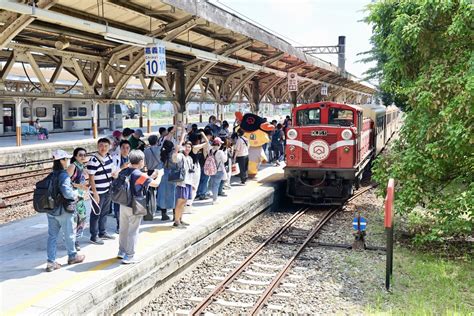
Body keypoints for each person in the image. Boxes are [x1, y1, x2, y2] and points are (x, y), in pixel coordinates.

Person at [117, 150, 164, 264]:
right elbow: (155, 184)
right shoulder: (139, 174)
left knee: (123, 229)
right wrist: (160, 175)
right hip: (135, 205)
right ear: (141, 161)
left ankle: (121, 251)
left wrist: (151, 176)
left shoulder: (124, 171)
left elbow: (141, 181)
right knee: (133, 230)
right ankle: (129, 256)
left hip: (123, 204)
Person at [45, 150, 84, 272]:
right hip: (64, 211)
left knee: (52, 236)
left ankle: (51, 262)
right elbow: (67, 193)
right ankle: (72, 256)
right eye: (65, 159)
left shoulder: (51, 174)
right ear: (61, 161)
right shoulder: (63, 175)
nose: (67, 161)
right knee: (69, 234)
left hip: (51, 211)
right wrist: (76, 194)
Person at [87, 138, 116, 245]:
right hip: (98, 192)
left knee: (104, 212)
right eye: (101, 145)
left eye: (105, 146)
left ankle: (102, 232)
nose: (103, 148)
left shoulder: (109, 157)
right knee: (96, 214)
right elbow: (91, 178)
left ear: (109, 147)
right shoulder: (93, 160)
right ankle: (93, 236)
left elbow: (112, 171)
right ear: (97, 146)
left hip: (107, 190)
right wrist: (95, 193)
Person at [67, 147, 92, 252]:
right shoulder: (72, 166)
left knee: (82, 218)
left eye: (84, 155)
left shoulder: (82, 166)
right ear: (75, 156)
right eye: (80, 155)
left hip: (80, 197)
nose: (83, 157)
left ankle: (75, 239)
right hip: (73, 196)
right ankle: (73, 242)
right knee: (74, 220)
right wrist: (79, 186)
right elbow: (66, 182)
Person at [172, 129, 193, 228]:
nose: (188, 148)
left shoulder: (190, 158)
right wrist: (179, 144)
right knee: (180, 202)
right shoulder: (180, 156)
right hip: (182, 183)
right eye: (186, 146)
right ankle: (176, 221)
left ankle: (180, 218)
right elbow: (174, 157)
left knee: (184, 201)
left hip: (188, 182)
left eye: (189, 147)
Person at [111, 140, 131, 233]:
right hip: (118, 185)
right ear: (120, 148)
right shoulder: (115, 158)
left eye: (127, 148)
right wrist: (122, 167)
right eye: (123, 147)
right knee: (118, 206)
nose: (125, 150)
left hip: (129, 185)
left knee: (128, 206)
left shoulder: (131, 158)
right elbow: (114, 174)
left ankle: (127, 224)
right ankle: (119, 226)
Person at [156, 140, 176, 221]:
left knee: (162, 195)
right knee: (174, 195)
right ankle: (175, 215)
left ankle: (164, 214)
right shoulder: (173, 155)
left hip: (162, 175)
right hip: (172, 176)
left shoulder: (161, 154)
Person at [188, 131, 209, 205]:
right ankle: (189, 204)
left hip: (189, 167)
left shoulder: (187, 146)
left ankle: (188, 203)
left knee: (190, 185)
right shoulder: (195, 147)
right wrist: (203, 134)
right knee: (194, 186)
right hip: (195, 168)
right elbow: (207, 142)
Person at [208, 137, 228, 204]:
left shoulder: (210, 150)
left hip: (211, 169)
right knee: (216, 185)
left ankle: (214, 196)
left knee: (213, 184)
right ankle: (214, 199)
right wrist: (226, 153)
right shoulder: (220, 152)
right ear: (219, 144)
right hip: (219, 170)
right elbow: (225, 160)